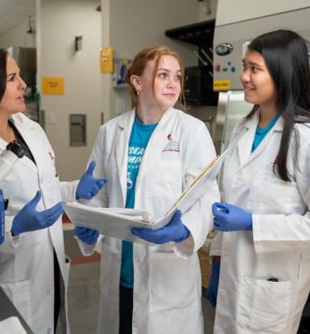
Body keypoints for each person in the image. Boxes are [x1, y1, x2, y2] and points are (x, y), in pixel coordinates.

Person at [0, 48, 107, 334]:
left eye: (19, 76)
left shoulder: (31, 129)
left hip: (48, 270)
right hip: (5, 277)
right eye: (13, 77)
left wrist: (76, 189)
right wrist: (13, 227)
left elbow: (41, 193)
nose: (23, 84)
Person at [75, 45, 220, 334]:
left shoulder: (191, 131)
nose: (172, 84)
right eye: (163, 74)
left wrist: (185, 230)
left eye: (177, 77)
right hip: (120, 271)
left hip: (166, 272)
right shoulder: (110, 132)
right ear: (137, 82)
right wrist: (88, 220)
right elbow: (98, 192)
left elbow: (207, 195)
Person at [212, 30, 310, 334]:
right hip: (233, 275)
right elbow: (229, 203)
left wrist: (252, 223)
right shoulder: (243, 128)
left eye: (254, 69)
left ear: (283, 75)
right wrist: (218, 260)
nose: (244, 76)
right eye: (244, 66)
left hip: (271, 285)